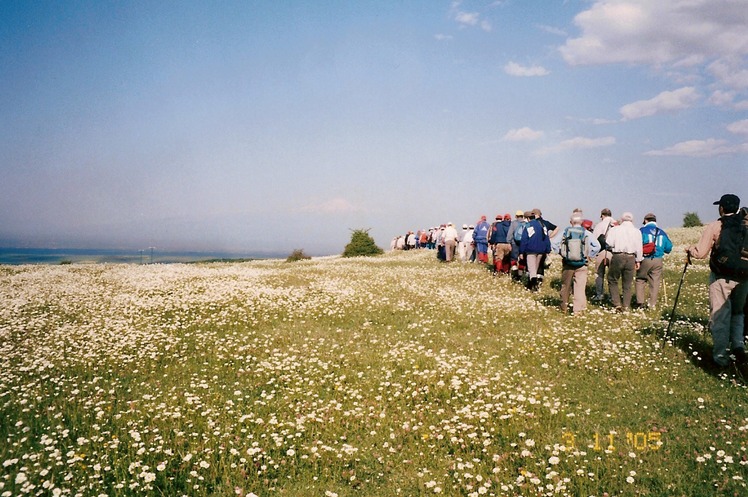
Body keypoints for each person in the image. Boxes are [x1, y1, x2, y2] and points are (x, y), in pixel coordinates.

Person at [687, 194, 748, 369]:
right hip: (744, 277)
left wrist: (690, 250)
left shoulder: (716, 226)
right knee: (738, 313)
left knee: (720, 316)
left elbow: (700, 253)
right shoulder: (745, 225)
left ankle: (721, 358)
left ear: (721, 208)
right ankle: (738, 346)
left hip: (722, 277)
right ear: (737, 208)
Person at [559, 212, 601, 314]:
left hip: (568, 263)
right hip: (582, 263)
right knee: (580, 287)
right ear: (581, 222)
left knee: (565, 285)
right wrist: (589, 255)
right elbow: (597, 246)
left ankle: (563, 307)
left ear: (570, 222)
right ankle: (577, 310)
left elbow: (555, 244)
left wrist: (563, 254)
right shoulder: (586, 233)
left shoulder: (566, 231)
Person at [605, 212, 643, 312]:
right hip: (631, 257)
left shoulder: (615, 230)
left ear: (621, 220)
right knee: (627, 283)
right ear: (632, 220)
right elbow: (639, 248)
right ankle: (626, 305)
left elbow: (609, 243)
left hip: (618, 255)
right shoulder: (637, 231)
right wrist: (638, 260)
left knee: (613, 279)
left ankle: (616, 303)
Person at [635, 213, 673, 309]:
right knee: (655, 282)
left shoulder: (642, 231)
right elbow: (668, 248)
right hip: (658, 259)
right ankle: (652, 304)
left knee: (640, 279)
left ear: (646, 221)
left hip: (645, 259)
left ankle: (640, 303)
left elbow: (637, 245)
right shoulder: (662, 232)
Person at [520, 210, 551, 291]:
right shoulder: (542, 225)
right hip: (541, 250)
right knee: (536, 268)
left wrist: (521, 252)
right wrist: (548, 250)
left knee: (531, 269)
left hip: (531, 250)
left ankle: (534, 285)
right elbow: (547, 238)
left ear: (528, 218)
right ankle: (531, 285)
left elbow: (524, 240)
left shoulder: (528, 226)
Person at [592, 208, 615, 302]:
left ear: (602, 215)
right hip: (613, 252)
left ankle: (599, 294)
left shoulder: (599, 225)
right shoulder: (617, 224)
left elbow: (594, 239)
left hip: (602, 251)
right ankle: (612, 296)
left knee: (599, 274)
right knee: (612, 276)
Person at [532, 208, 557, 288]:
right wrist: (550, 236)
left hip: (534, 246)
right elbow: (557, 228)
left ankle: (533, 280)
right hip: (544, 247)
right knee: (541, 264)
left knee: (533, 263)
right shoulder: (546, 223)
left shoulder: (533, 223)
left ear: (536, 215)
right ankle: (539, 281)